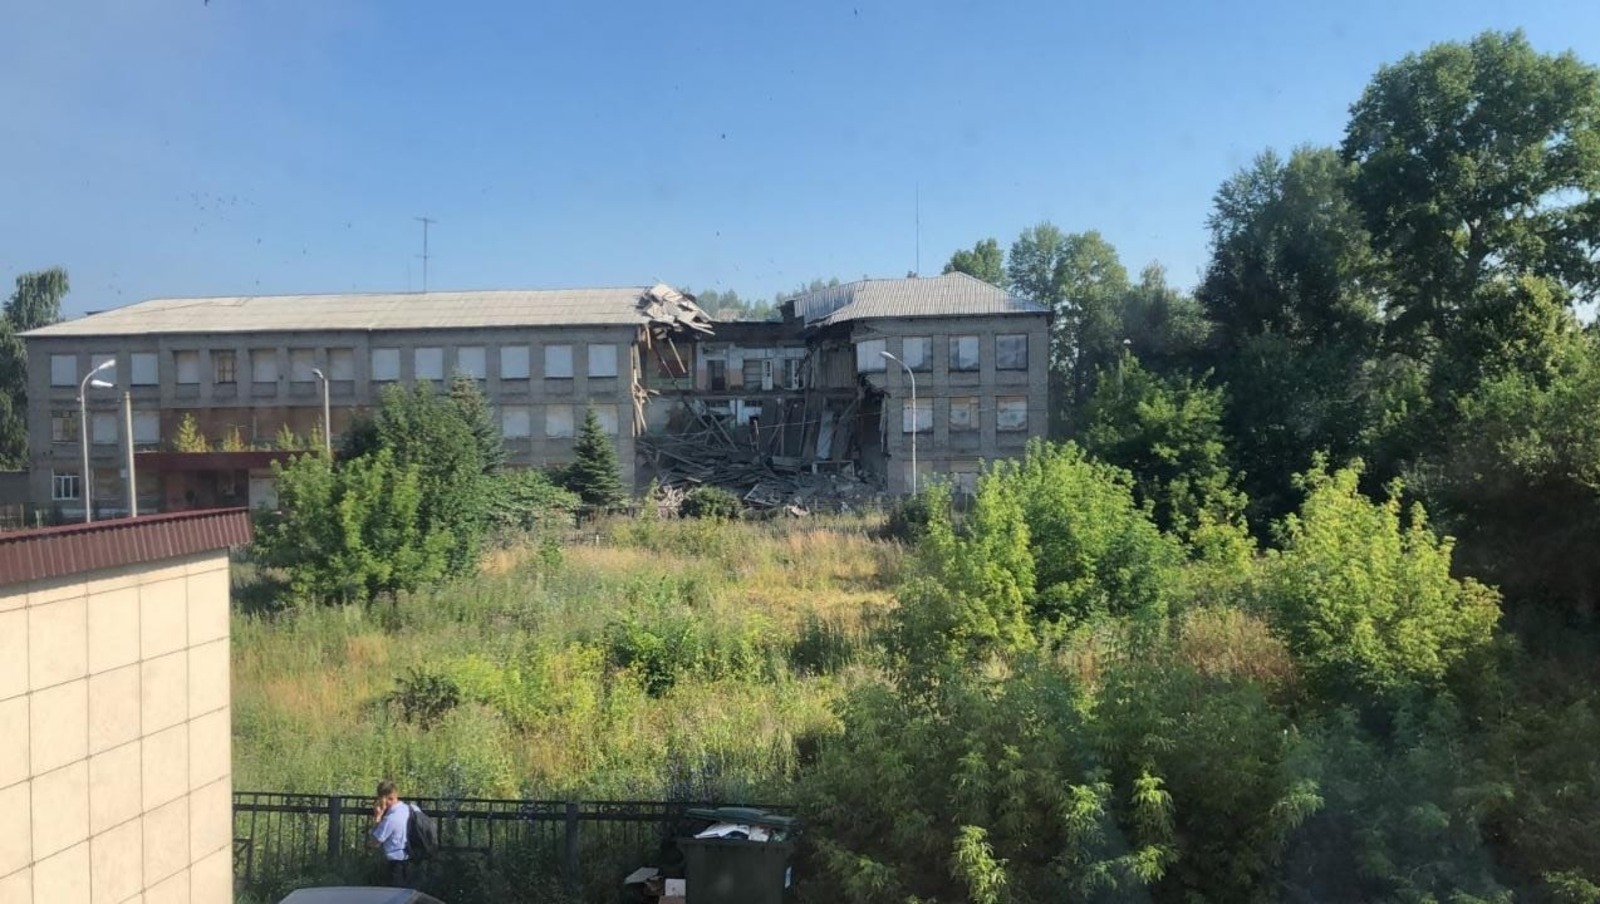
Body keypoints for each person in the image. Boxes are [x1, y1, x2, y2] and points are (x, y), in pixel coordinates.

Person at [369, 779, 412, 886]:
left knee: (392, 894)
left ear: (385, 798)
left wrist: (378, 817)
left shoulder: (390, 819)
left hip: (394, 866)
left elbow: (374, 843)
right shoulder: (409, 809)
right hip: (410, 860)